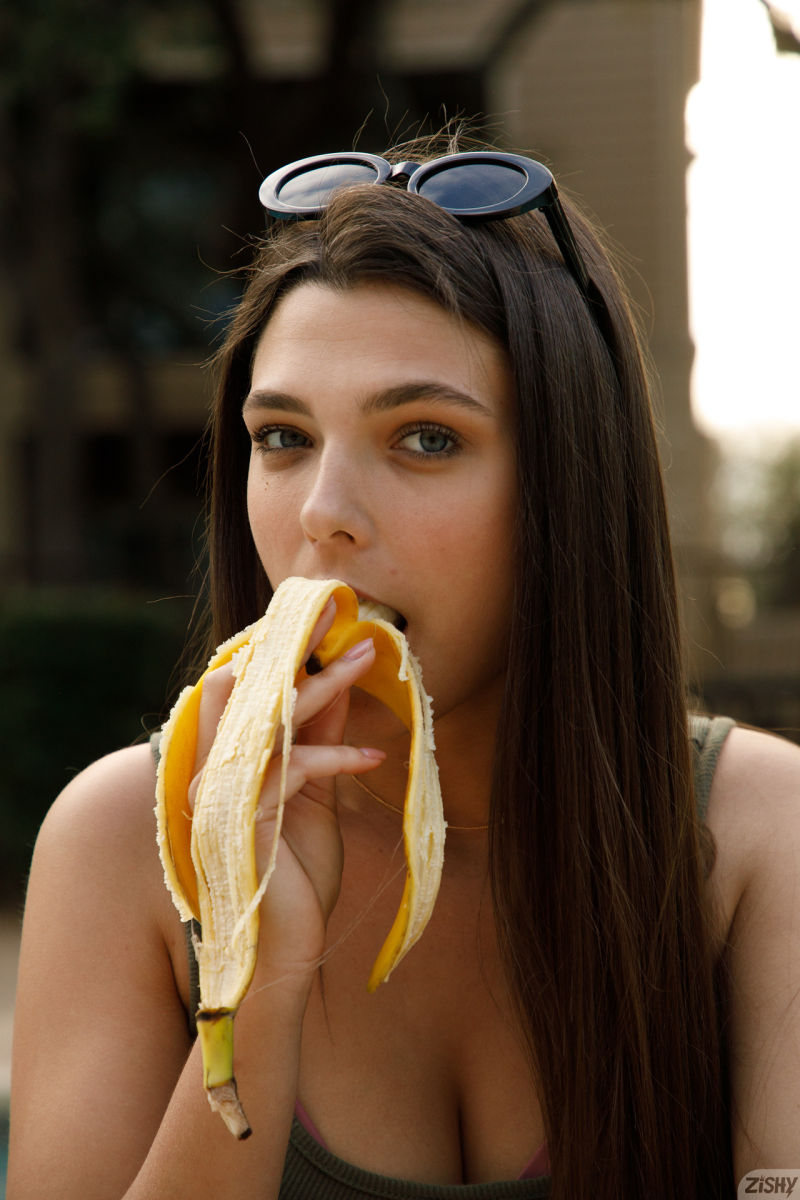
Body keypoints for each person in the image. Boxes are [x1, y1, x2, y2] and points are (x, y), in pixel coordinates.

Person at [8, 129, 800, 1200]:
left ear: (565, 489)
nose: (322, 516)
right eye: (281, 437)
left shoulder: (758, 837)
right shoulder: (121, 845)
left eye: (424, 438)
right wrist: (255, 977)